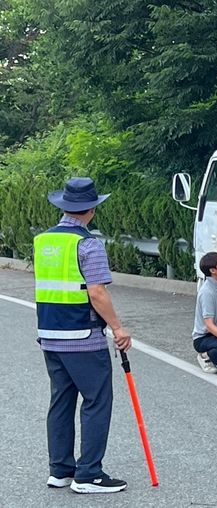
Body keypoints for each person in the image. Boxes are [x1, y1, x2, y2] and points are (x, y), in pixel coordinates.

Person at [34, 177, 132, 494]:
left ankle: (60, 470)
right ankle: (89, 474)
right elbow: (97, 293)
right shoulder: (88, 244)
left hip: (49, 333)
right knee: (96, 401)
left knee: (61, 401)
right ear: (91, 209)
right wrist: (118, 328)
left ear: (64, 205)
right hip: (83, 336)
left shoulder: (44, 241)